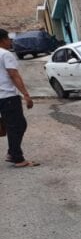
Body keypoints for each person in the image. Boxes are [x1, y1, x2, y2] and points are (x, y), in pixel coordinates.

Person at [0, 29, 38, 167]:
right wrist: (26, 95)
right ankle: (17, 158)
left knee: (12, 126)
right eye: (8, 39)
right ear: (3, 39)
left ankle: (13, 153)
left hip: (2, 98)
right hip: (8, 96)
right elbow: (13, 75)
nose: (10, 41)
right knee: (18, 125)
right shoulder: (5, 54)